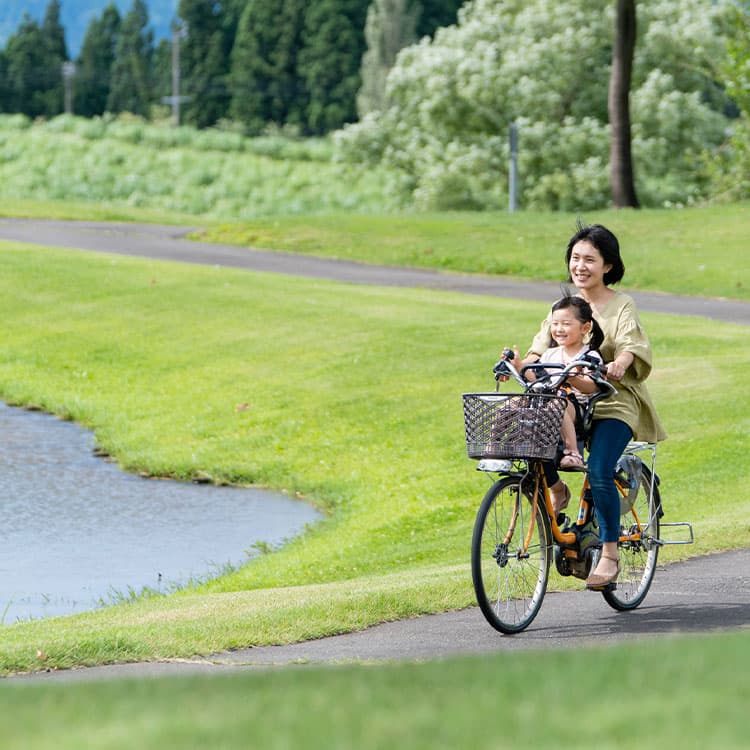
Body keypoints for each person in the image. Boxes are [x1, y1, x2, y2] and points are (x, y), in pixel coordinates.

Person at [518, 222, 666, 590]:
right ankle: (557, 489)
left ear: (608, 266)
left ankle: (610, 555)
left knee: (599, 469)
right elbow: (540, 346)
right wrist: (525, 363)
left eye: (589, 259)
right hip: (568, 399)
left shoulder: (620, 305)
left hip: (613, 402)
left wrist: (620, 363)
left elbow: (631, 343)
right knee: (530, 447)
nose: (580, 266)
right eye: (575, 258)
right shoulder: (562, 307)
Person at [526, 295, 605, 471]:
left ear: (585, 327)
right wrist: (517, 366)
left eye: (566, 324)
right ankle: (496, 446)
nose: (559, 329)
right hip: (546, 402)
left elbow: (591, 387)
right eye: (555, 324)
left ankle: (572, 452)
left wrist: (572, 377)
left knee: (557, 405)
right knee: (512, 404)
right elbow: (539, 379)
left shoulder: (589, 357)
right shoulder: (549, 354)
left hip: (575, 408)